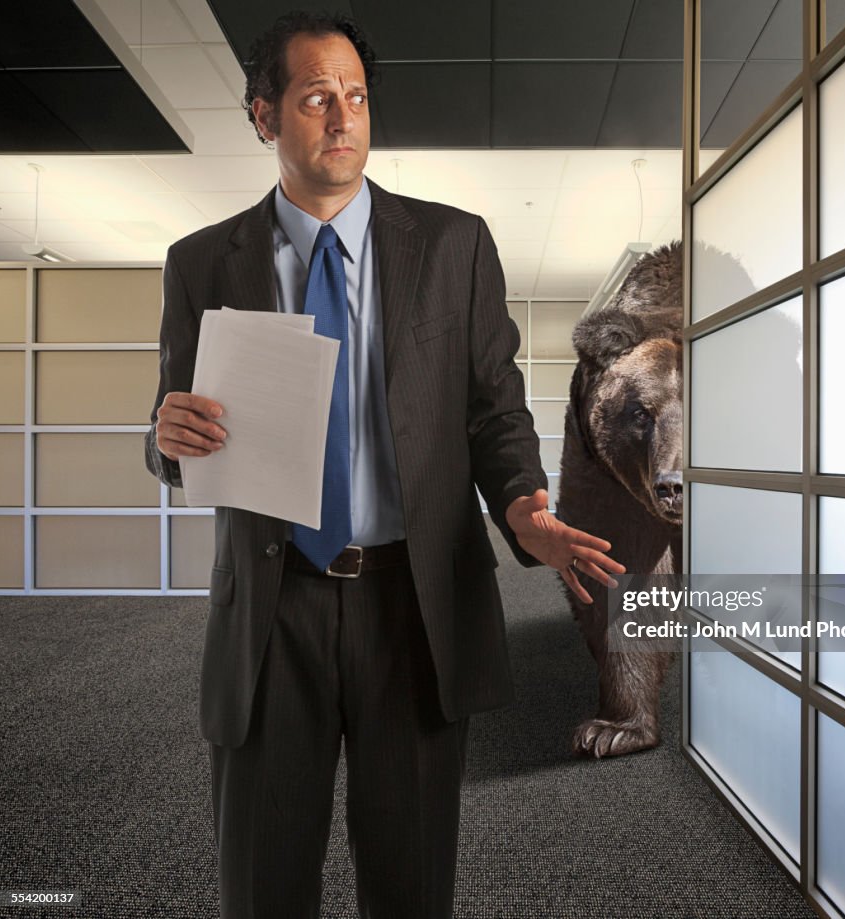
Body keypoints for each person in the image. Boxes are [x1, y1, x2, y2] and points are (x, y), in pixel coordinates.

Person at [144, 10, 623, 919]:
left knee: (409, 885)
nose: (343, 117)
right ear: (263, 116)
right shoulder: (203, 262)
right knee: (262, 884)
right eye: (317, 97)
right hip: (270, 608)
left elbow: (493, 410)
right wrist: (164, 436)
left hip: (412, 604)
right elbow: (173, 428)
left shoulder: (451, 246)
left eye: (356, 97)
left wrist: (524, 504)